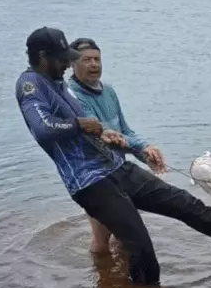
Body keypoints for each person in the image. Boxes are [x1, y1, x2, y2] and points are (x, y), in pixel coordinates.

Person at [14, 27, 211, 286]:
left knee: (186, 204)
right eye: (63, 59)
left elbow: (91, 129)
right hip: (90, 183)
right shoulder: (30, 84)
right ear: (42, 57)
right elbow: (43, 128)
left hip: (117, 167)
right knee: (139, 245)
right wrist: (81, 125)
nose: (66, 64)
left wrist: (106, 135)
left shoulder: (60, 83)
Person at [66, 37, 166, 253]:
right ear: (72, 64)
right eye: (86, 60)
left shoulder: (109, 92)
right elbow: (103, 137)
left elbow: (124, 132)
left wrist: (146, 150)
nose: (94, 64)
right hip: (95, 180)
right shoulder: (71, 96)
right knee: (102, 242)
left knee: (125, 237)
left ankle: (118, 282)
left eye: (97, 59)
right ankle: (102, 283)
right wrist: (138, 149)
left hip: (119, 172)